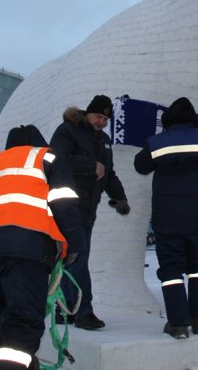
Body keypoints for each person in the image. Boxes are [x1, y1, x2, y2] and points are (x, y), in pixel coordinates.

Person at [0, 124, 85, 370]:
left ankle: (21, 364)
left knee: (4, 319)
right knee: (22, 323)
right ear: (39, 142)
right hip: (25, 246)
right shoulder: (46, 156)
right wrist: (74, 244)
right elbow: (63, 202)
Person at [134, 97, 198, 339]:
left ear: (168, 120)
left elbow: (140, 166)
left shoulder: (157, 142)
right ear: (194, 119)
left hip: (168, 221)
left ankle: (178, 325)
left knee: (171, 270)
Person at [49, 95, 129, 330]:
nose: (102, 122)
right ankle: (84, 312)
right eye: (98, 116)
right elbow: (55, 159)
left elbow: (108, 172)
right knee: (77, 258)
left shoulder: (104, 140)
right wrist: (90, 165)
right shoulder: (68, 130)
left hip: (87, 210)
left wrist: (119, 197)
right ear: (87, 113)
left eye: (106, 118)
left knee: (72, 260)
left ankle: (66, 310)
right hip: (66, 206)